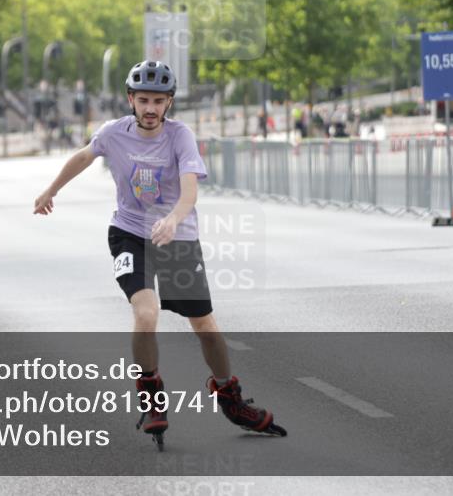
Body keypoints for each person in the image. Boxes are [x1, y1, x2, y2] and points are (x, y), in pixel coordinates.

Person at [33, 60, 284, 446]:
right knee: (146, 313)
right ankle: (151, 396)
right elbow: (84, 156)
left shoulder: (180, 137)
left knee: (204, 325)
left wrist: (173, 219)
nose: (151, 109)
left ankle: (229, 397)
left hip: (177, 237)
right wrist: (51, 190)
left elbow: (190, 189)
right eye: (144, 100)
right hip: (129, 233)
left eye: (159, 101)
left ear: (169, 104)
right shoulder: (113, 133)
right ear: (131, 100)